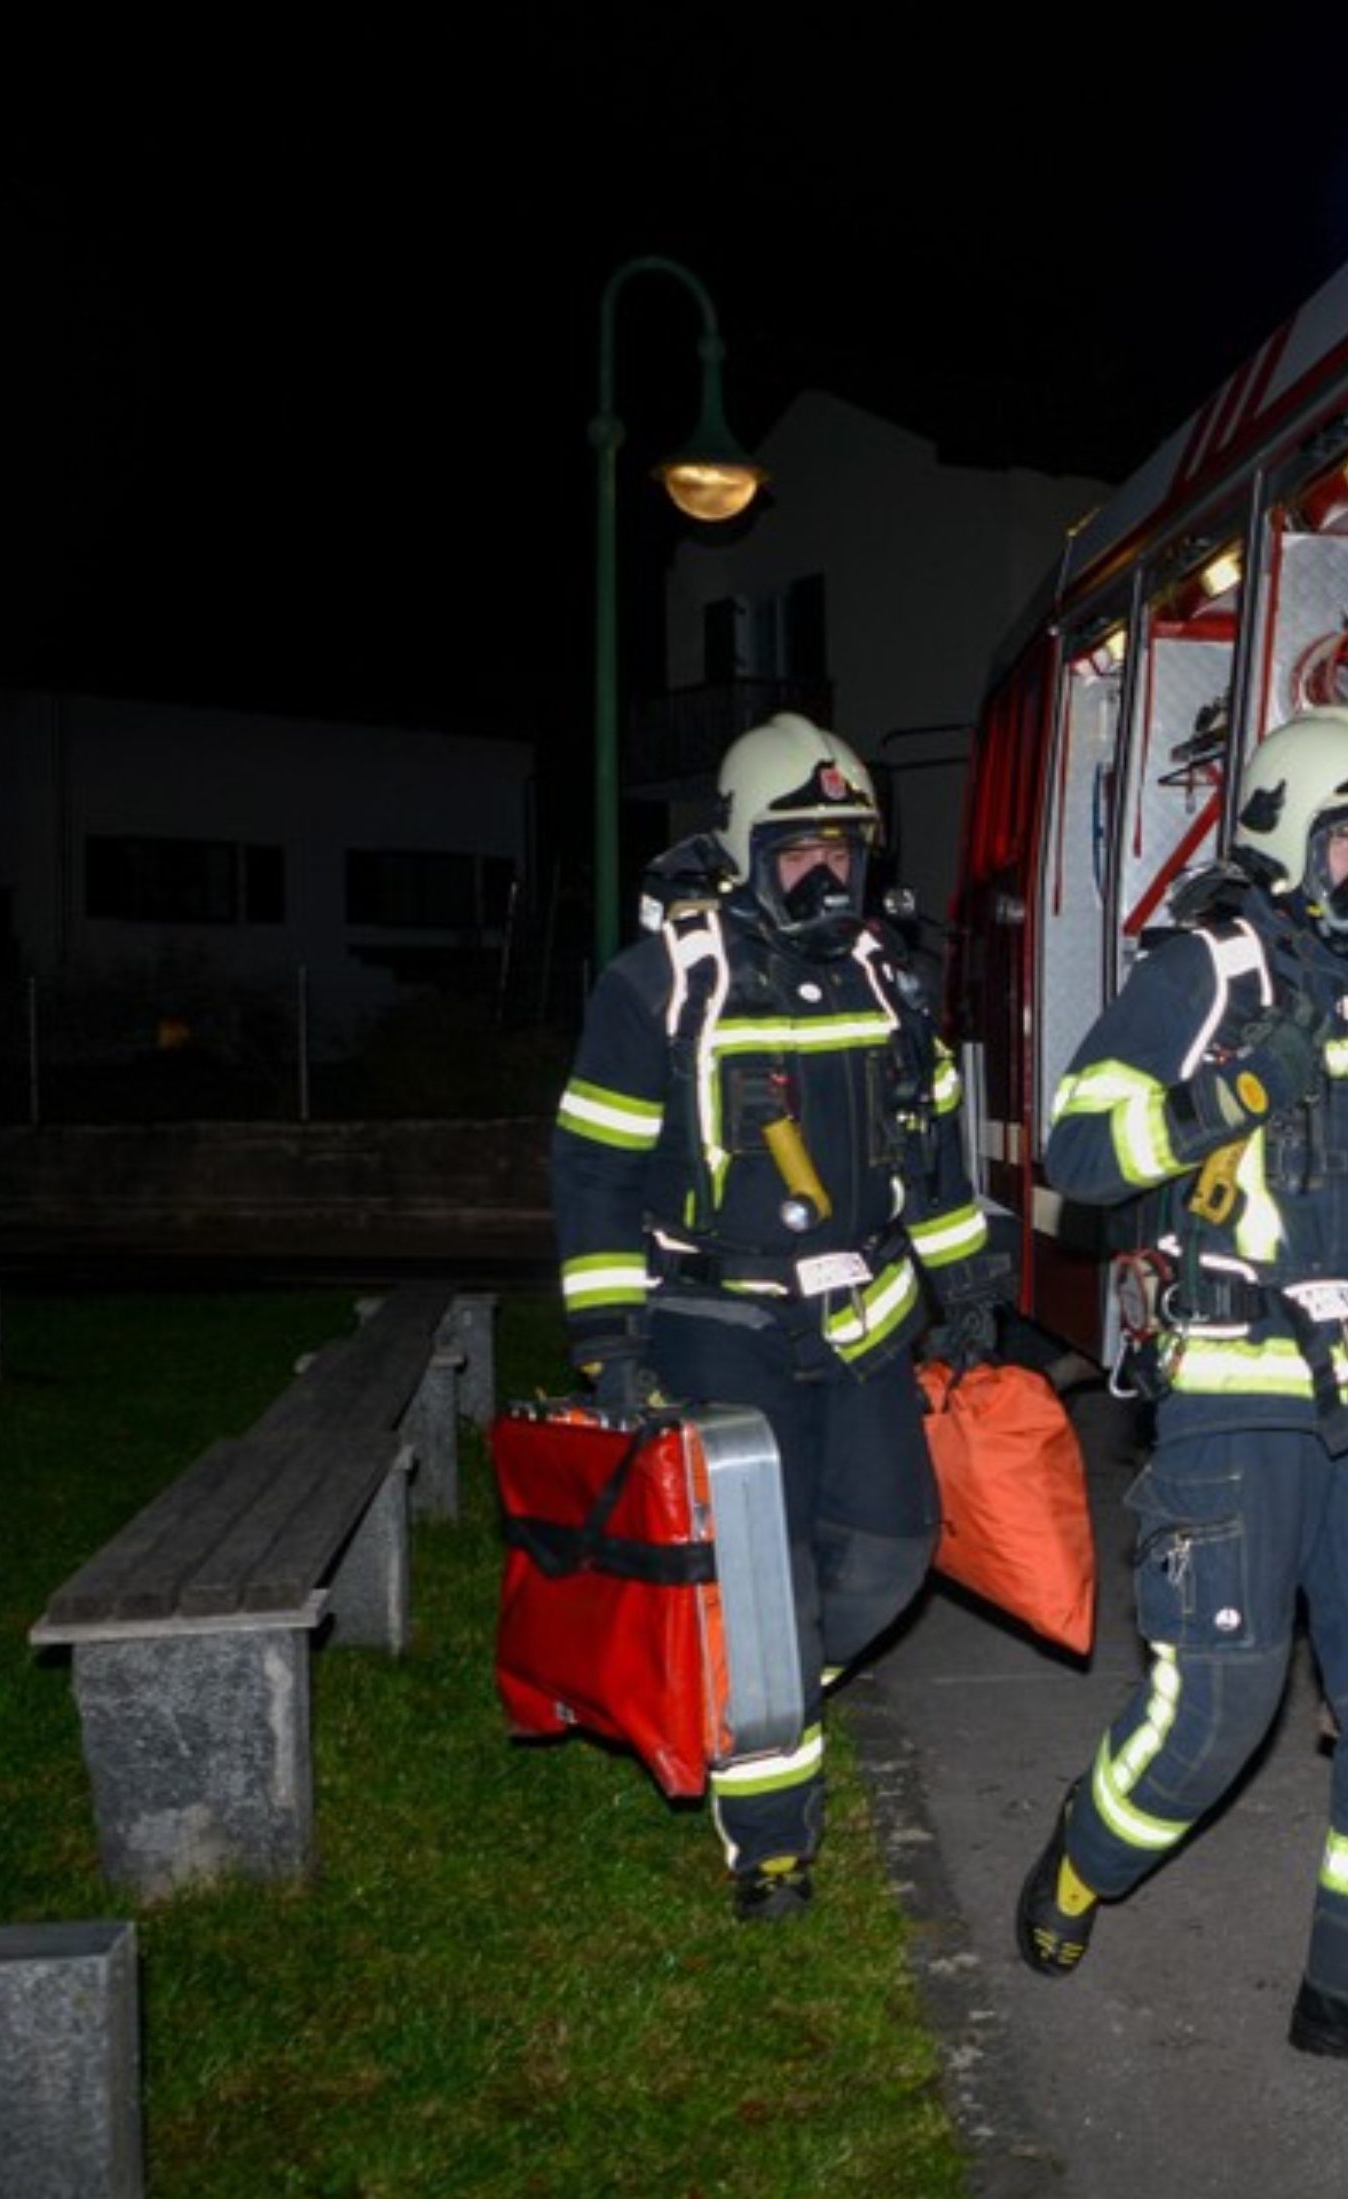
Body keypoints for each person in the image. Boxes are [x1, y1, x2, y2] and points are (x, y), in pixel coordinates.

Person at [1011, 704, 1348, 2080]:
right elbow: (1079, 1147)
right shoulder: (1207, 968)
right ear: (1290, 837)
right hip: (1233, 1406)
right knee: (1213, 1718)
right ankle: (1080, 1859)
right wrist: (1232, 1089)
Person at [549, 711, 1008, 1921]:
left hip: (862, 1320)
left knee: (895, 1551)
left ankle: (745, 1693)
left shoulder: (890, 980)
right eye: (798, 851)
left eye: (844, 852)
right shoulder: (657, 984)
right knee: (767, 1582)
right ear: (746, 850)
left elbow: (936, 1156)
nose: (826, 874)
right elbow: (591, 1169)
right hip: (719, 1323)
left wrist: (965, 1288)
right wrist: (608, 1338)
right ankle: (771, 1844)